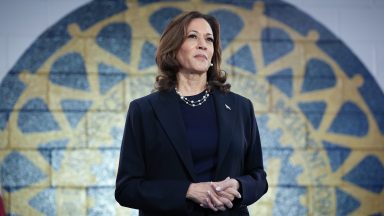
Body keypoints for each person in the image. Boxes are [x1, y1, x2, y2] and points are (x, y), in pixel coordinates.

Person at [115, 11, 268, 216]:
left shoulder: (241, 107)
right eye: (192, 36)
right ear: (173, 48)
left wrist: (239, 186)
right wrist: (187, 191)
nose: (203, 45)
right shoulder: (143, 111)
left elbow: (258, 176)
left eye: (209, 39)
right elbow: (127, 189)